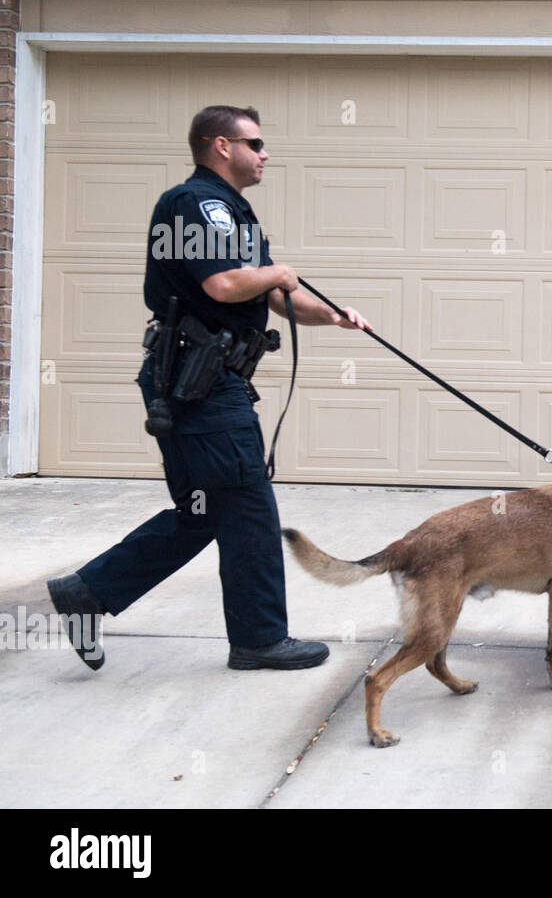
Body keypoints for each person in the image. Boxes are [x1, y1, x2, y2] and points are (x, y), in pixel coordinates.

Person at [46, 105, 372, 672]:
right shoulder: (198, 205)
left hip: (199, 383)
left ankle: (88, 594)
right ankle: (259, 639)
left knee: (202, 511)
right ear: (221, 146)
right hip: (200, 385)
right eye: (255, 143)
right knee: (247, 508)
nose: (265, 153)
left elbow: (272, 297)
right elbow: (225, 285)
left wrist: (334, 316)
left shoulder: (233, 213)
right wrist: (277, 271)